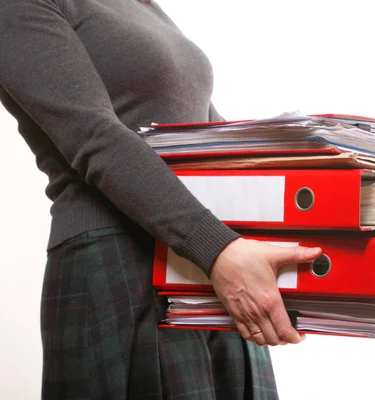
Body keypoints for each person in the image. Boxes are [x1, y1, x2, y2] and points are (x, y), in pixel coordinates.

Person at [0, 0, 322, 398]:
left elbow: (205, 143)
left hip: (208, 264)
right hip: (120, 264)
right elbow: (92, 137)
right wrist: (217, 247)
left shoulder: (142, 6)